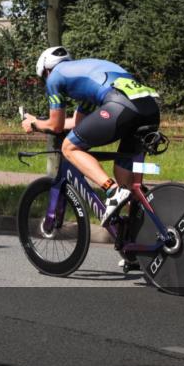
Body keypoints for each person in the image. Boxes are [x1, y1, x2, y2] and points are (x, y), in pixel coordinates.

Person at [21, 47, 161, 266]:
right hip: (148, 108)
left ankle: (111, 190)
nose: (45, 84)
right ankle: (137, 244)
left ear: (46, 70)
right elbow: (78, 125)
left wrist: (34, 124)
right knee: (127, 182)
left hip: (121, 105)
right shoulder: (82, 76)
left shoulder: (54, 77)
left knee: (70, 148)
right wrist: (42, 122)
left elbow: (56, 125)